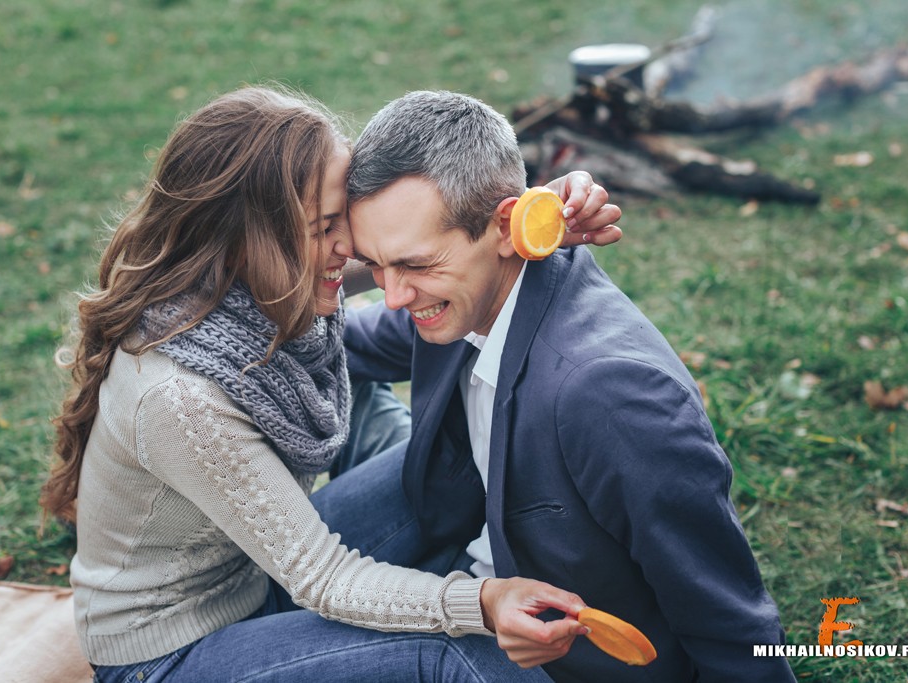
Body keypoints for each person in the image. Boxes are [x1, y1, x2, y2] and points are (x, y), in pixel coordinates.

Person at [39, 84, 623, 682]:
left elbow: (401, 250)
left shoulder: (247, 281)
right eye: (324, 228)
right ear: (251, 239)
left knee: (443, 467)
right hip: (170, 656)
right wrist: (479, 603)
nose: (348, 247)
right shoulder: (181, 395)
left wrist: (515, 221)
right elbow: (323, 578)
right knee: (458, 651)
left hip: (252, 578)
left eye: (341, 217)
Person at [335, 90, 796, 682]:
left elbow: (728, 618)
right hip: (473, 560)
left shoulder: (610, 395)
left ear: (507, 227)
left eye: (416, 265)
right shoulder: (465, 294)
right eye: (375, 264)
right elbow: (331, 336)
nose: (392, 295)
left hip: (552, 661)